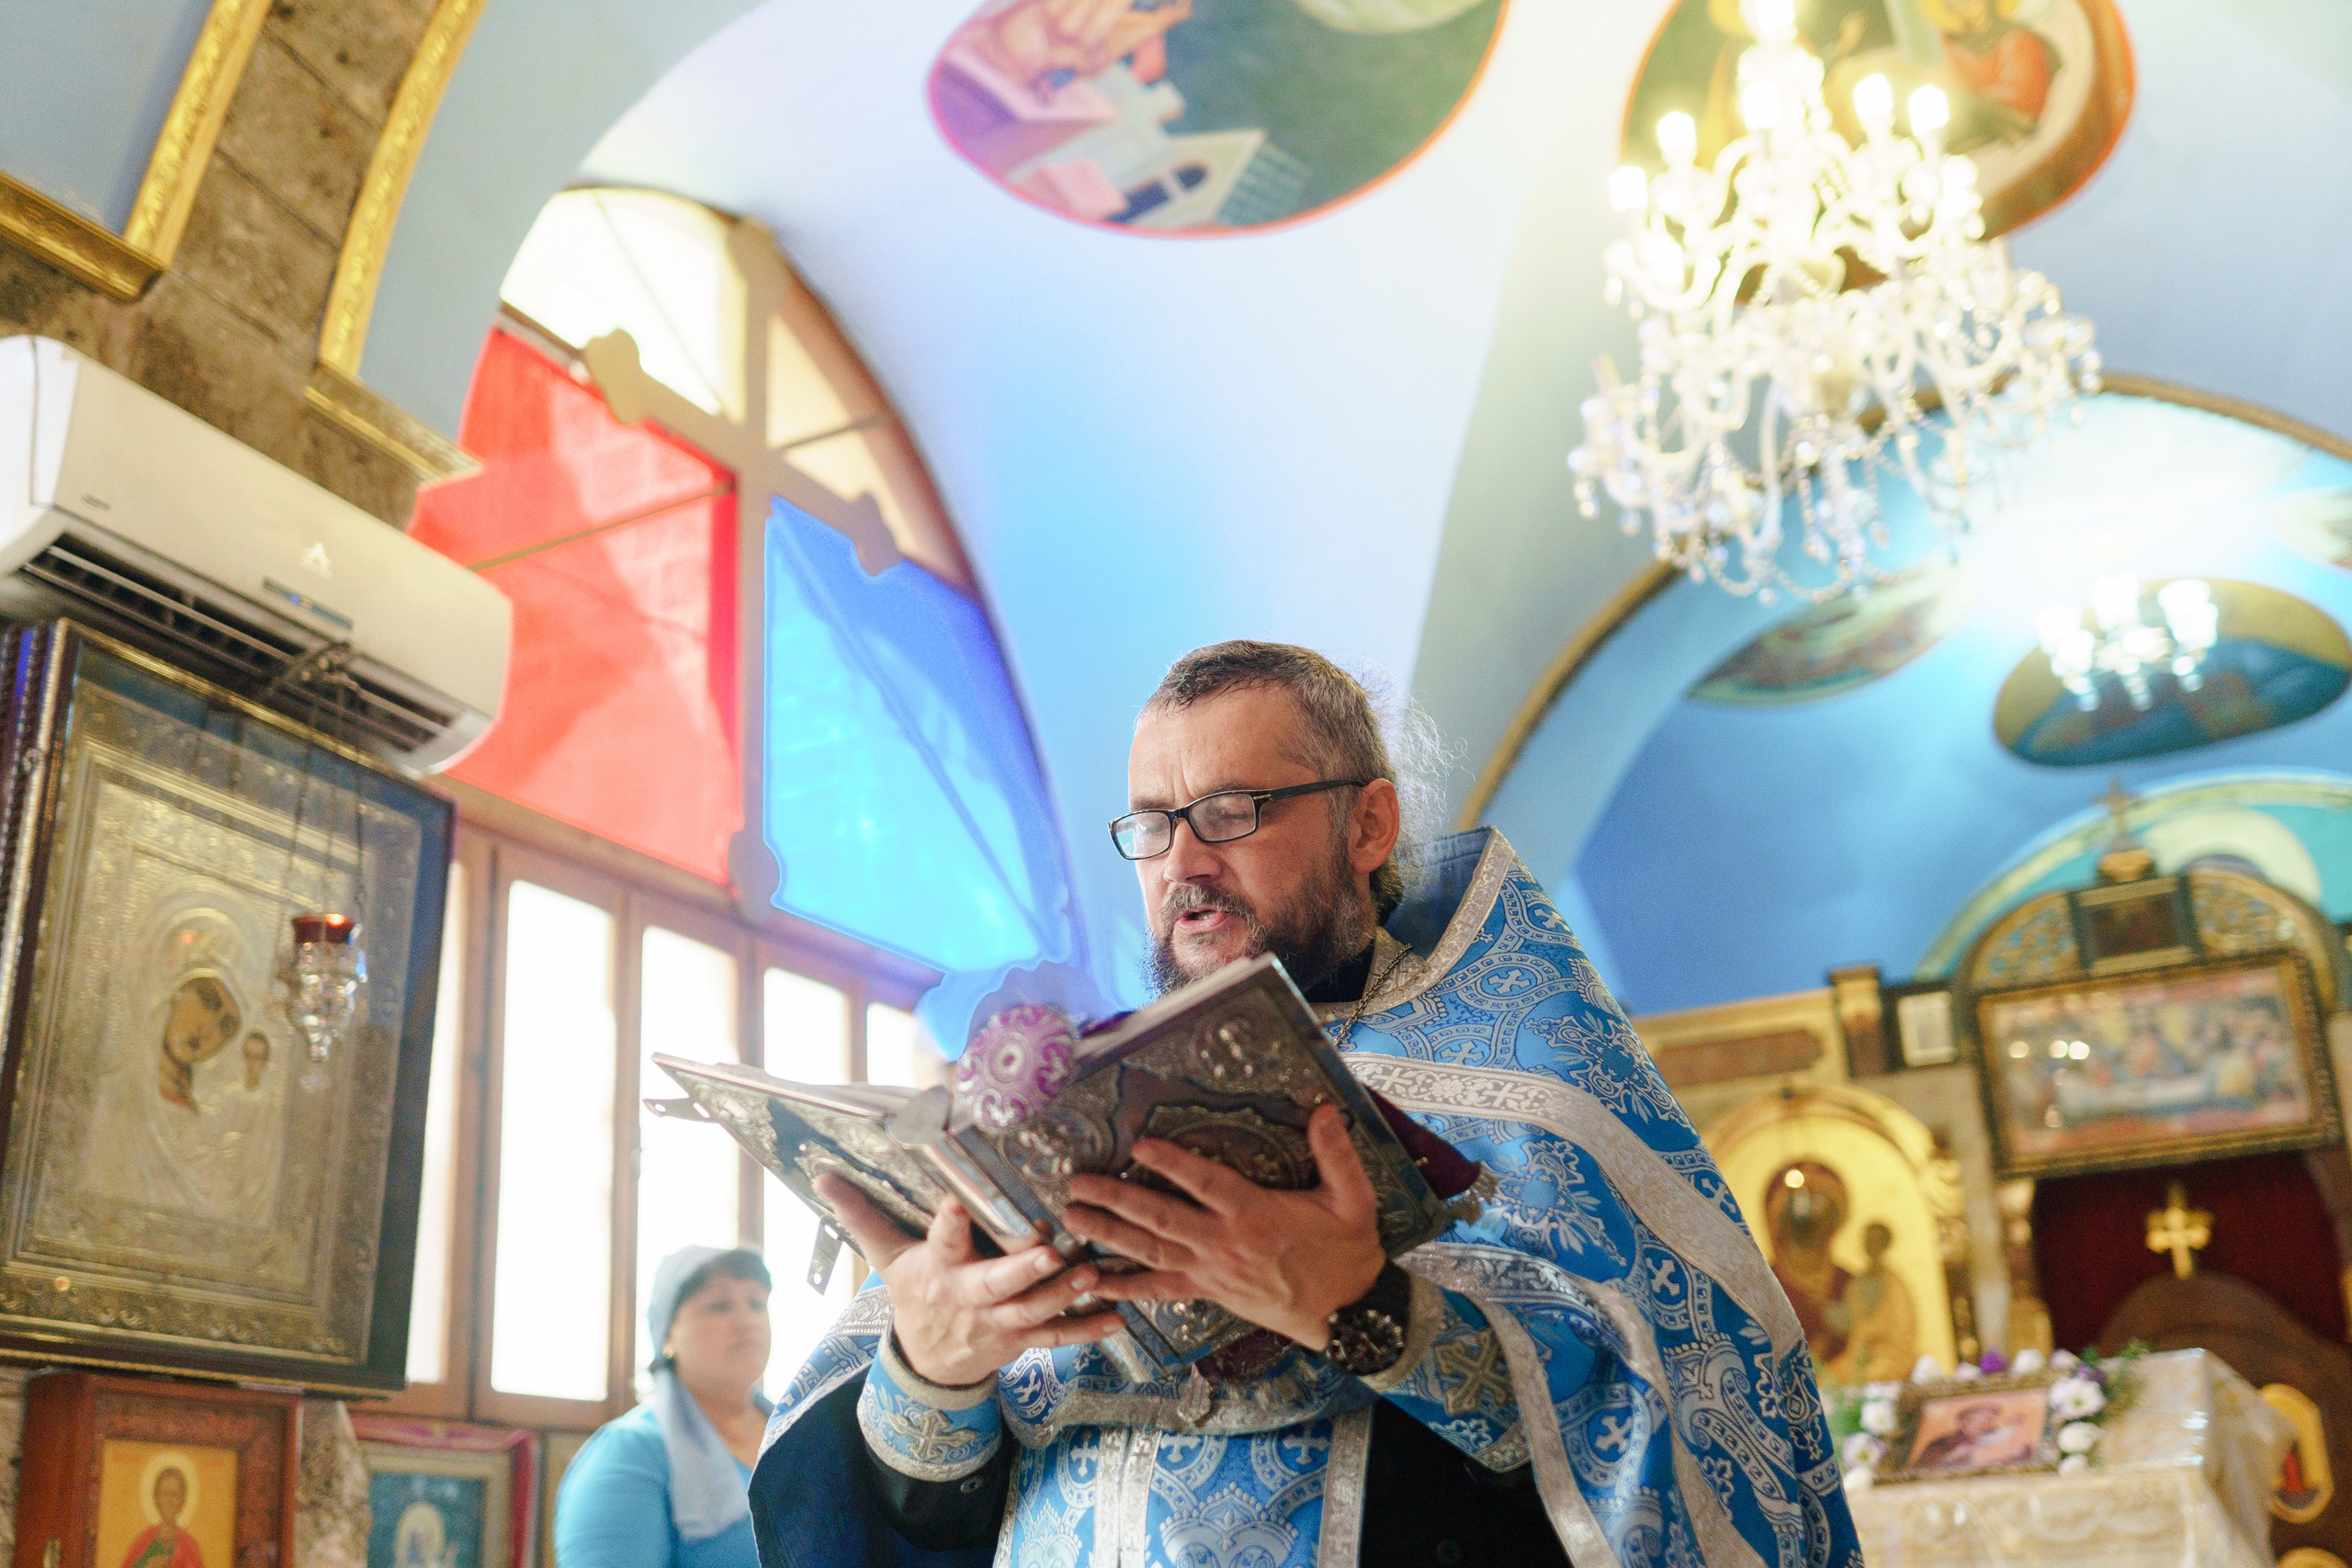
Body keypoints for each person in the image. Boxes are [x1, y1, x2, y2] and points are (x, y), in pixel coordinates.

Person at [752, 642, 1860, 1567]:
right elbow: (882, 1515)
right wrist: (932, 1367)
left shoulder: (1531, 1095)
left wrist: (1373, 1314)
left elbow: (1679, 1429)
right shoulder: (1063, 1114)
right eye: (1151, 824)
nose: (1183, 862)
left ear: (1368, 826)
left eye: (1232, 811)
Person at [559, 1247, 774, 1568]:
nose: (747, 1321)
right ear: (667, 1334)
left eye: (757, 1304)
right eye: (719, 1306)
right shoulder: (630, 1453)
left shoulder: (806, 1443)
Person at [120, 1465, 204, 1568]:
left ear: (182, 1500)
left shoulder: (190, 1546)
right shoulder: (142, 1542)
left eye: (174, 1494)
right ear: (156, 1499)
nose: (169, 1501)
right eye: (164, 1493)